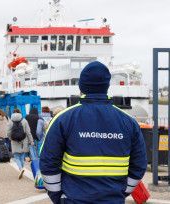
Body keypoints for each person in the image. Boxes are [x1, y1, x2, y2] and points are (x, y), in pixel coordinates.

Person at [40, 61, 147, 203]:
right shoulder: (129, 122)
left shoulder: (63, 119)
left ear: (81, 86)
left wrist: (58, 197)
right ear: (107, 86)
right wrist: (121, 192)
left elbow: (48, 162)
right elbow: (139, 165)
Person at [7, 109, 34, 179]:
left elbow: (8, 132)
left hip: (14, 141)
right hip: (23, 140)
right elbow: (28, 132)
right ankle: (22, 168)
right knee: (22, 156)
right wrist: (31, 141)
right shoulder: (24, 121)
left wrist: (10, 138)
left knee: (16, 156)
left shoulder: (10, 121)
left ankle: (20, 168)